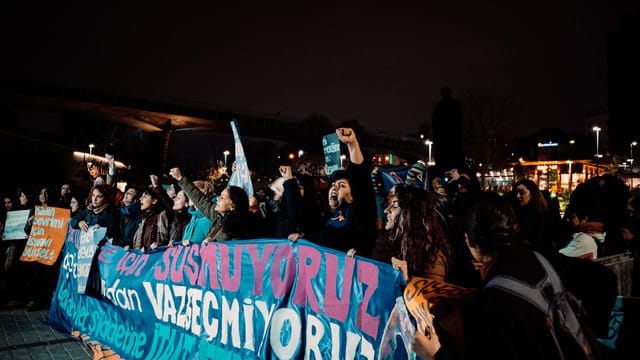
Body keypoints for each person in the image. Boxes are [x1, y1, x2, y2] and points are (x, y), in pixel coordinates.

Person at [461, 192, 615, 359]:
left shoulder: (487, 305)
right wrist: (590, 335)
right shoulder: (545, 258)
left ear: (469, 240)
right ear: (512, 228)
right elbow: (606, 277)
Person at [290, 128, 378, 258]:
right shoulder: (326, 216)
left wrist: (352, 145)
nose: (334, 188)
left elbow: (361, 184)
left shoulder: (360, 216)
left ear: (353, 194)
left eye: (341, 185)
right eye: (332, 185)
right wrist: (304, 239)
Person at [170, 167, 253, 241]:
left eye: (223, 197)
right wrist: (180, 178)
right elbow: (200, 200)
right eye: (220, 195)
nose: (218, 198)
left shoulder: (238, 230)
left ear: (233, 206)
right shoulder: (217, 217)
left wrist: (212, 244)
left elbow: (234, 254)